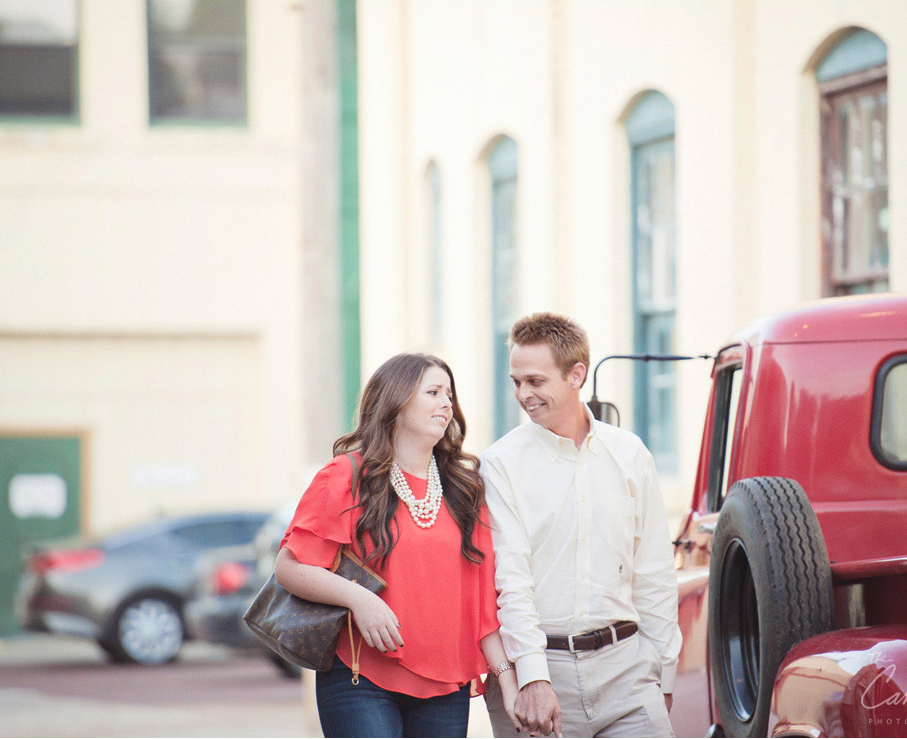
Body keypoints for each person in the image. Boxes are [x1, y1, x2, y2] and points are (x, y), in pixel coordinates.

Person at [274, 353, 520, 738]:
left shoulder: (465, 490)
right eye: (433, 392)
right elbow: (290, 567)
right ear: (397, 400)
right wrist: (360, 599)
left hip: (445, 687)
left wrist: (507, 679)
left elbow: (482, 603)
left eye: (449, 395)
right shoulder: (346, 476)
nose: (446, 404)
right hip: (361, 677)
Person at [480, 313, 681, 738]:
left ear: (576, 375)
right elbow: (509, 580)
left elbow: (654, 573)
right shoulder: (500, 464)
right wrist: (533, 678)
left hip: (627, 670)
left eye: (535, 381)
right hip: (540, 672)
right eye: (516, 382)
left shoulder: (629, 454)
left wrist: (663, 670)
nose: (523, 395)